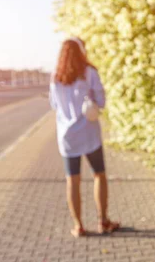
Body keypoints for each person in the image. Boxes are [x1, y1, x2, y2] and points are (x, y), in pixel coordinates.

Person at [49, 38, 119, 237]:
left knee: (72, 180)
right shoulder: (90, 73)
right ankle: (103, 220)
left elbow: (54, 105)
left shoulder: (55, 77)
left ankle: (78, 225)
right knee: (99, 175)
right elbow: (102, 102)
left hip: (67, 137)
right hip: (89, 134)